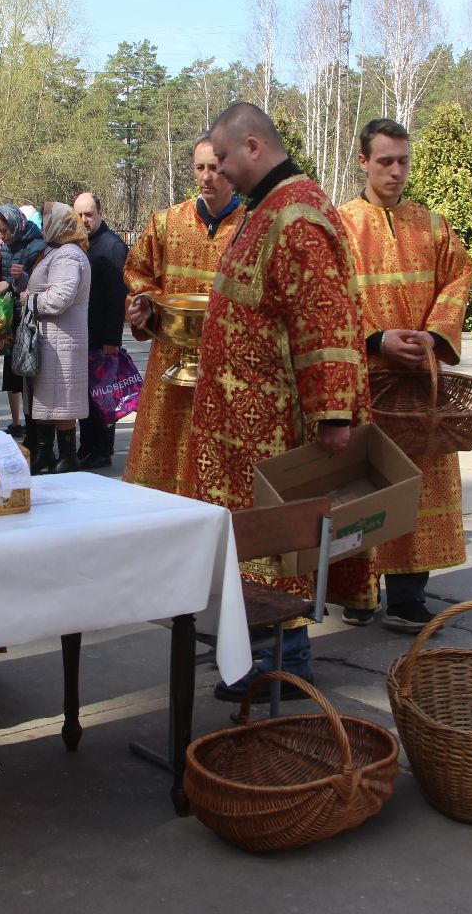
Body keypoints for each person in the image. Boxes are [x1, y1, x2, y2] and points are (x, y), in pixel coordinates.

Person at [188, 102, 374, 700]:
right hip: (244, 421)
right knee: (255, 541)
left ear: (251, 146)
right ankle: (255, 655)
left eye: (222, 160)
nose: (218, 173)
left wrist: (333, 415)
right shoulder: (267, 208)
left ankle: (284, 663)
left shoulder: (294, 214)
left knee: (280, 540)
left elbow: (324, 317)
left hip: (273, 423)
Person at [337, 119, 472, 631]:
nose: (396, 172)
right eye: (385, 162)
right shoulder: (337, 226)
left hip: (419, 377)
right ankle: (357, 588)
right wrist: (377, 337)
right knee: (361, 482)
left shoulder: (432, 225)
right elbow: (325, 298)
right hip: (363, 377)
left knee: (421, 477)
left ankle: (409, 593)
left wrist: (434, 336)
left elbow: (459, 274)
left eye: (403, 161)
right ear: (363, 163)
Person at [122, 135, 245, 496]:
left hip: (227, 369)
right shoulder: (166, 223)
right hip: (170, 364)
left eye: (216, 169)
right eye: (200, 168)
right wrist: (145, 303)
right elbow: (137, 273)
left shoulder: (252, 227)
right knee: (161, 460)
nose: (207, 177)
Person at [24, 201, 91, 474]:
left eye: (48, 219)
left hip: (61, 341)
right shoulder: (58, 252)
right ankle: (46, 454)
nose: (44, 224)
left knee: (62, 403)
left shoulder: (68, 256)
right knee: (48, 401)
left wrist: (30, 301)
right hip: (51, 339)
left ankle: (66, 458)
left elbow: (60, 299)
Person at [72, 191, 128, 470]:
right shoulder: (82, 244)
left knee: (103, 396)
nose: (84, 220)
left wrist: (111, 339)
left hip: (102, 337)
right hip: (84, 333)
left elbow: (117, 297)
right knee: (86, 396)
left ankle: (102, 450)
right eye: (79, 215)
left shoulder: (113, 246)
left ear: (100, 213)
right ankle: (88, 446)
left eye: (89, 214)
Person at [0, 204, 47, 440]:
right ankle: (28, 432)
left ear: (17, 225)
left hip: (30, 322)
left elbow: (37, 285)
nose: (2, 237)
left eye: (5, 231)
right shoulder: (8, 248)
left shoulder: (35, 247)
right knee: (17, 378)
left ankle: (37, 436)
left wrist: (14, 283)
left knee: (32, 382)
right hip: (14, 320)